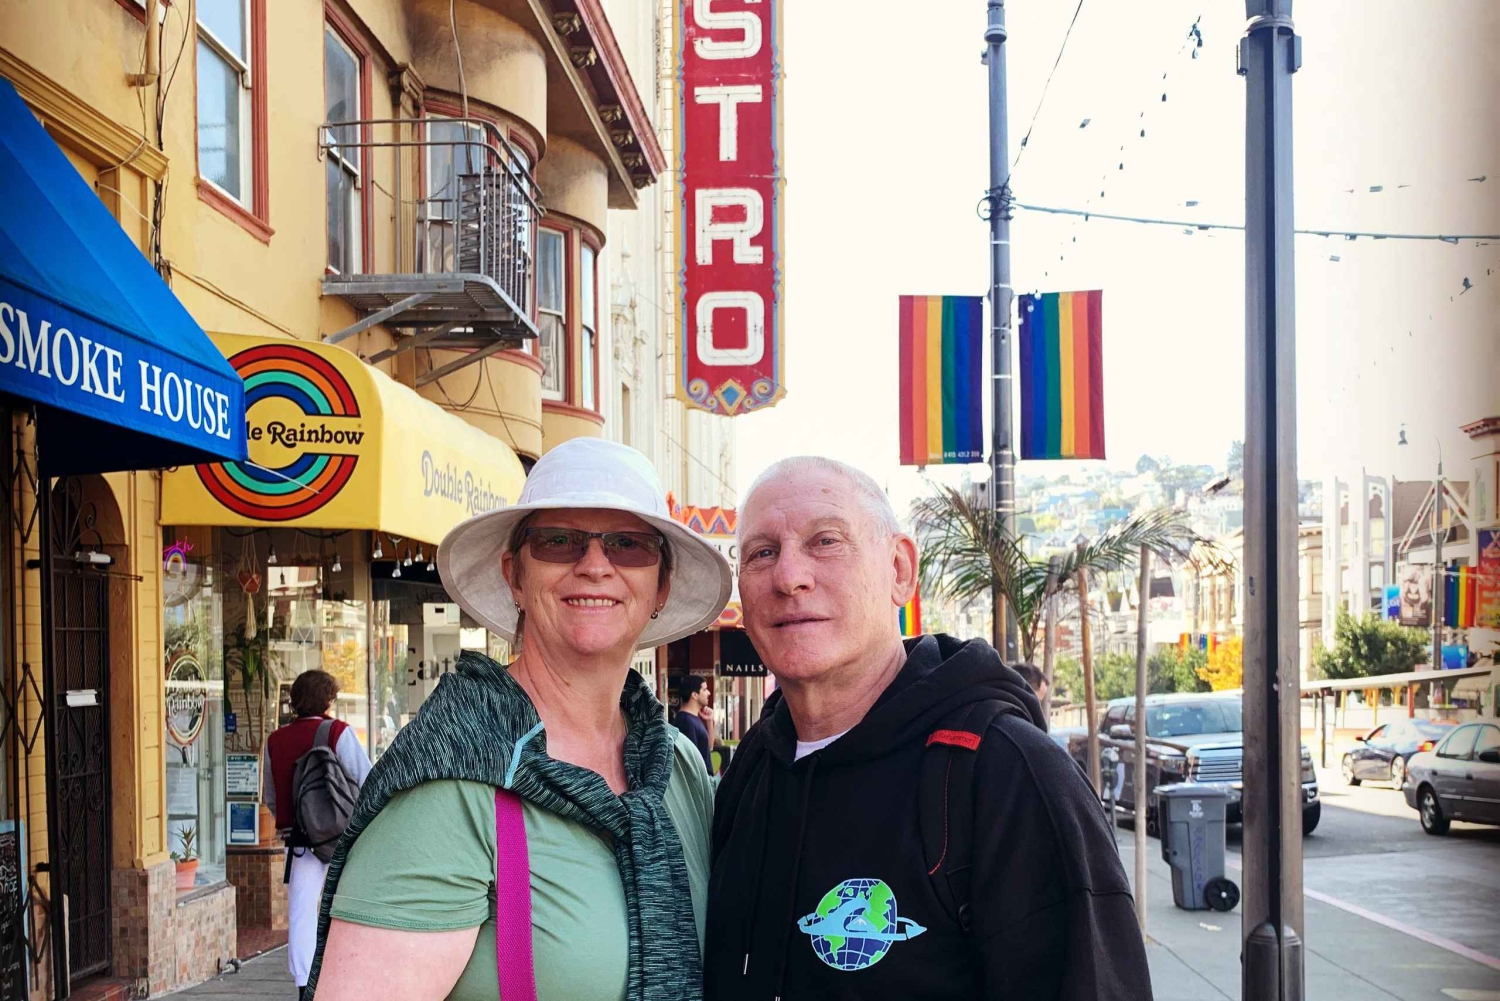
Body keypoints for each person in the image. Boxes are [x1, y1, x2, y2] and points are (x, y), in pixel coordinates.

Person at [706, 457, 1152, 1000]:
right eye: (762, 552)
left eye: (825, 541)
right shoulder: (753, 768)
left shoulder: (1004, 771)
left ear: (899, 570)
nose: (789, 576)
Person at [306, 438, 731, 1001]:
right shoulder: (452, 786)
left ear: (662, 586)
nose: (596, 565)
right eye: (560, 541)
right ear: (515, 575)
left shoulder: (672, 765)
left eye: (629, 545)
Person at [262, 669, 372, 990]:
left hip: (299, 842)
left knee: (302, 913)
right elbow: (367, 780)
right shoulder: (338, 733)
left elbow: (271, 796)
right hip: (340, 836)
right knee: (345, 906)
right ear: (327, 700)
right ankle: (344, 975)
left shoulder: (275, 740)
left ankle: (304, 983)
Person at [673, 675, 715, 774]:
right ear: (694, 695)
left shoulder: (693, 718)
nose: (708, 693)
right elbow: (691, 760)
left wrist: (709, 722)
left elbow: (709, 748)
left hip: (706, 779)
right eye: (704, 690)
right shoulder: (685, 721)